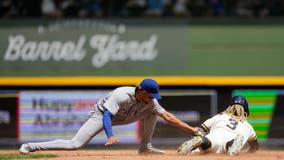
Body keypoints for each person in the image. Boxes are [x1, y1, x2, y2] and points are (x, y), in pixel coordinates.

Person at [19, 78, 198, 155]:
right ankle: (30, 146)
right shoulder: (122, 94)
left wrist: (191, 130)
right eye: (150, 95)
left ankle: (145, 147)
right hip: (102, 115)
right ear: (141, 91)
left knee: (154, 112)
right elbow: (106, 116)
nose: (152, 98)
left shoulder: (149, 102)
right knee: (75, 144)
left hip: (127, 115)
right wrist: (110, 135)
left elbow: (167, 116)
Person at [177, 96, 259, 156]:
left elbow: (200, 129)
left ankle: (202, 141)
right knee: (228, 146)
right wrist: (247, 153)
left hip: (215, 136)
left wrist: (197, 135)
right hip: (232, 137)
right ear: (246, 110)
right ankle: (232, 144)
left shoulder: (220, 116)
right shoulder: (248, 126)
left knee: (208, 142)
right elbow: (254, 147)